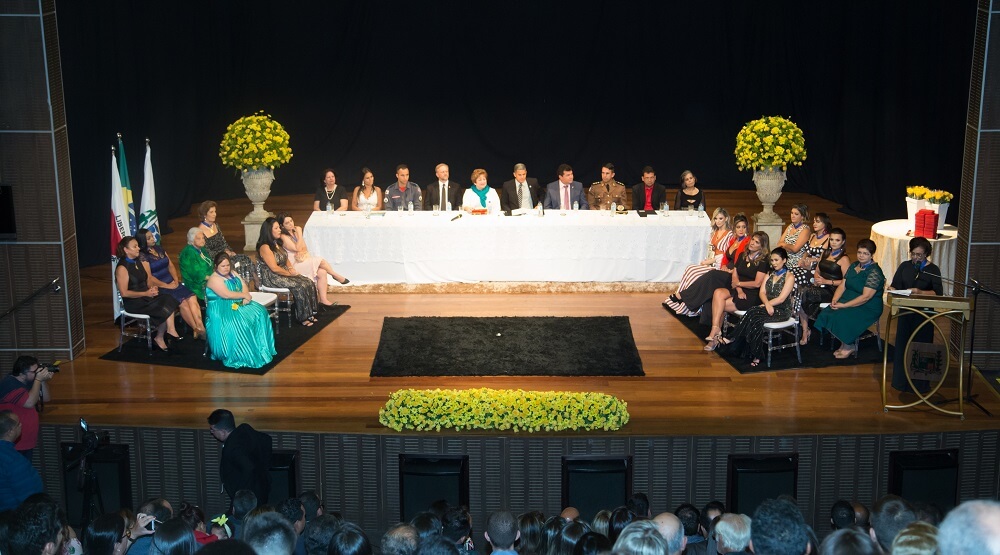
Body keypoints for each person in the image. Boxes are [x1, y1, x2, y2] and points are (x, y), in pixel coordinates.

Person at [717, 247, 796, 366]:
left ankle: (732, 337)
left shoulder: (789, 277)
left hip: (782, 310)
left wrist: (767, 305)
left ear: (784, 260)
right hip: (767, 306)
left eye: (776, 260)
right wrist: (766, 305)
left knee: (753, 311)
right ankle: (757, 355)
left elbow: (781, 299)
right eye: (772, 260)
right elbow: (762, 293)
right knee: (756, 319)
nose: (773, 263)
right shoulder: (769, 273)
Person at [887, 236, 944, 393]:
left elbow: (938, 293)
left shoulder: (933, 270)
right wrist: (892, 289)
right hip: (905, 312)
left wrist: (920, 292)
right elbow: (896, 285)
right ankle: (900, 382)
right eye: (913, 253)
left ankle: (920, 385)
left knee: (921, 347)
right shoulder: (905, 266)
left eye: (919, 255)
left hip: (923, 315)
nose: (915, 257)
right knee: (903, 346)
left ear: (926, 254)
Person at [814, 238, 886, 359]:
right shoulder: (853, 266)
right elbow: (842, 285)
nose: (861, 256)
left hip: (868, 306)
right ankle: (844, 343)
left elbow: (866, 297)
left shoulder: (874, 272)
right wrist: (835, 299)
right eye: (859, 252)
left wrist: (844, 305)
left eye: (865, 253)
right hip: (849, 299)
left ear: (872, 255)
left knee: (842, 314)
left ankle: (849, 345)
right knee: (829, 312)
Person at [205, 252, 276, 369]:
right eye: (223, 266)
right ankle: (244, 353)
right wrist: (243, 295)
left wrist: (245, 294)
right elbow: (226, 295)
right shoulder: (214, 279)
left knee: (260, 312)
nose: (226, 268)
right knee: (243, 322)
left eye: (227, 265)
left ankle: (261, 348)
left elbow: (243, 285)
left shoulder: (232, 273)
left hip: (236, 302)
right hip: (221, 308)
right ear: (216, 266)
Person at [663, 207, 735, 316]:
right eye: (716, 218)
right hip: (712, 262)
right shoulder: (714, 232)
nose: (718, 221)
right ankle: (681, 302)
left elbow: (724, 255)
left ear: (726, 219)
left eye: (721, 218)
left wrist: (708, 262)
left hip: (719, 265)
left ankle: (687, 303)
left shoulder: (729, 234)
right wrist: (707, 261)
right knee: (690, 268)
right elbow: (711, 250)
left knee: (694, 273)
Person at [115, 236, 181, 353]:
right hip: (134, 302)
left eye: (138, 246)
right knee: (164, 305)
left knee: (169, 298)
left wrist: (152, 288)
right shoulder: (122, 268)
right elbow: (124, 293)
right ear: (126, 250)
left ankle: (163, 334)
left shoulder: (137, 261)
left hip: (145, 296)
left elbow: (147, 280)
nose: (138, 248)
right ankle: (165, 334)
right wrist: (145, 293)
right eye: (134, 247)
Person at [137, 228, 205, 340]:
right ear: (143, 241)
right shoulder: (143, 256)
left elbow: (171, 265)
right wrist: (167, 285)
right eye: (149, 238)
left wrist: (175, 279)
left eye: (152, 236)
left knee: (192, 297)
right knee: (182, 302)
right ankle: (196, 329)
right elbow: (150, 277)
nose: (153, 238)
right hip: (160, 286)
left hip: (172, 282)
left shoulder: (159, 249)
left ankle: (200, 326)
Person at [257, 217, 320, 326]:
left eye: (278, 227)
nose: (279, 230)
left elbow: (285, 259)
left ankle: (310, 312)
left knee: (308, 282)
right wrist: (289, 274)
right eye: (276, 228)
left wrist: (291, 269)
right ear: (269, 231)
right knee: (299, 286)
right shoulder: (265, 247)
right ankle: (302, 317)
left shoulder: (276, 243)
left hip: (283, 272)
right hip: (272, 277)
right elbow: (274, 268)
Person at [277, 212, 349, 305]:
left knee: (322, 272)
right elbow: (297, 248)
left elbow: (304, 248)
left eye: (291, 220)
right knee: (320, 260)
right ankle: (335, 275)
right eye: (287, 223)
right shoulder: (283, 236)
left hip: (302, 259)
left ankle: (323, 300)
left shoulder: (294, 233)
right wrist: (299, 233)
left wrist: (298, 240)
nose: (291, 224)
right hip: (293, 264)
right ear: (282, 226)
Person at [208, 409, 273, 505]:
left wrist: (239, 495)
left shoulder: (232, 449)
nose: (211, 432)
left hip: (250, 500)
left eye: (213, 430)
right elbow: (267, 439)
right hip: (263, 486)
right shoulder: (244, 429)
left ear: (223, 432)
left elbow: (250, 468)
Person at [797, 228, 850, 346]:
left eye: (837, 240)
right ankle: (806, 330)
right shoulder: (825, 253)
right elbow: (817, 271)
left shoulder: (844, 259)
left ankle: (820, 320)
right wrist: (817, 278)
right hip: (821, 286)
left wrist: (827, 281)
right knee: (800, 293)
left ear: (842, 242)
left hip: (834, 290)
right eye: (831, 239)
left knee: (806, 294)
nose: (833, 242)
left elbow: (846, 281)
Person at [0, 356, 53, 461]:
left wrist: (42, 381)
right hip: (15, 443)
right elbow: (29, 402)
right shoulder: (9, 385)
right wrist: (38, 379)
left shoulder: (27, 381)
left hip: (25, 440)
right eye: (34, 372)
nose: (37, 373)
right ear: (21, 374)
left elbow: (46, 398)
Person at [198, 200, 254, 283]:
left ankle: (250, 283)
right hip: (216, 259)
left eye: (215, 211)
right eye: (211, 212)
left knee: (245, 259)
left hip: (225, 254)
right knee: (234, 264)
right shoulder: (200, 231)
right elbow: (207, 252)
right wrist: (224, 254)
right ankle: (237, 285)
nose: (215, 214)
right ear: (205, 214)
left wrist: (229, 251)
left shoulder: (215, 225)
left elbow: (223, 242)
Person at [0, 410, 43, 511]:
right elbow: (29, 498)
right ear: (10, 432)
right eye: (18, 424)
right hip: (13, 516)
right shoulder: (13, 460)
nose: (21, 425)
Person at [789, 212, 833, 288]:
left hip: (818, 268)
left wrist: (814, 259)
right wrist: (802, 259)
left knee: (796, 278)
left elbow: (829, 259)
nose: (814, 224)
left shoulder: (829, 238)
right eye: (814, 222)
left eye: (818, 222)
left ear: (825, 224)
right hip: (807, 263)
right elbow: (807, 251)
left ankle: (798, 298)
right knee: (790, 273)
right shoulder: (812, 236)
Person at [178, 227, 214, 302]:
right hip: (196, 286)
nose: (202, 240)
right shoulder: (188, 253)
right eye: (198, 238)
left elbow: (210, 264)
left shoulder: (201, 249)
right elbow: (197, 275)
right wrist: (214, 279)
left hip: (208, 279)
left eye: (203, 238)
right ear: (192, 240)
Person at [777, 204, 811, 269]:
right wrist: (789, 247)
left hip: (796, 262)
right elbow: (779, 244)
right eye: (792, 213)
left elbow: (795, 249)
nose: (793, 216)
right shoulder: (790, 226)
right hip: (784, 258)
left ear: (802, 217)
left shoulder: (805, 229)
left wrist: (784, 245)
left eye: (796, 214)